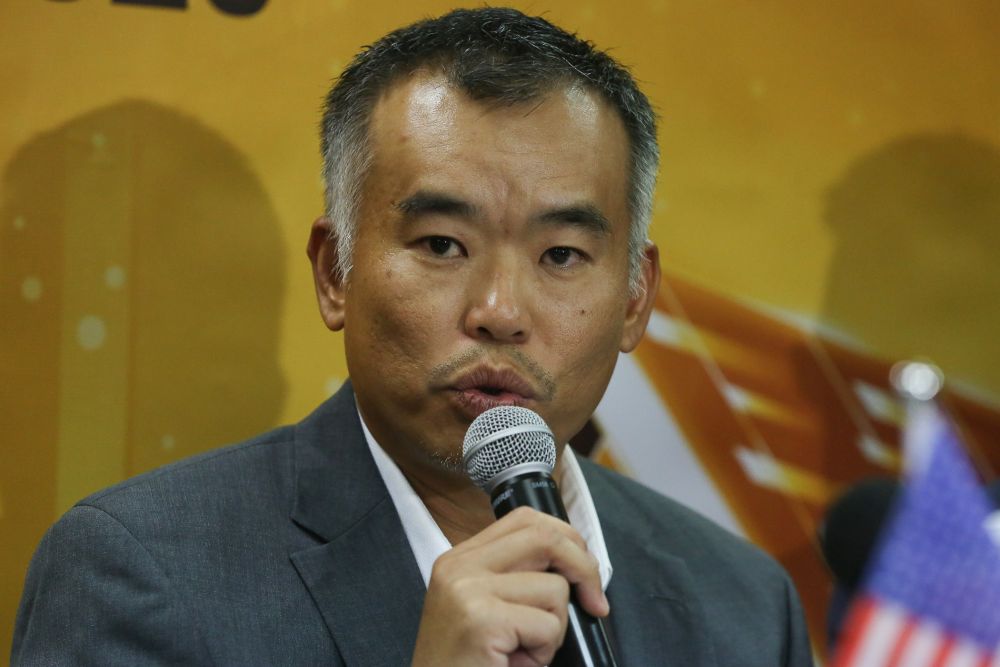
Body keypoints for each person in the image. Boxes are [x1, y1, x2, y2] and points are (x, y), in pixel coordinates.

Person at [12, 8, 813, 666]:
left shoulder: (741, 604)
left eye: (561, 254)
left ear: (635, 297)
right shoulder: (139, 573)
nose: (499, 310)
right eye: (441, 245)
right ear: (335, 272)